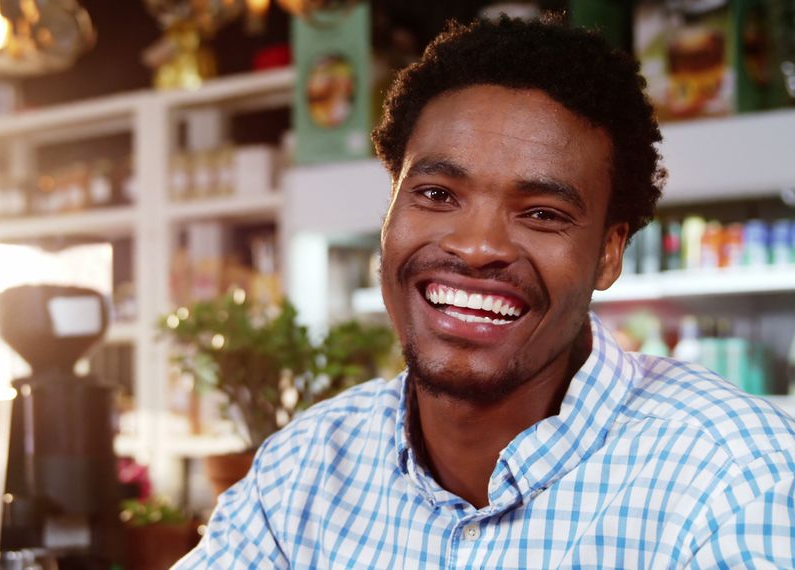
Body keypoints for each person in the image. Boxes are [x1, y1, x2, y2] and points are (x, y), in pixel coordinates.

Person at [175, 15, 795, 568]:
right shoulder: (300, 472)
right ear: (389, 212)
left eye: (543, 213)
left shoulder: (736, 479)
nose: (476, 247)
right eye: (438, 195)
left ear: (609, 252)